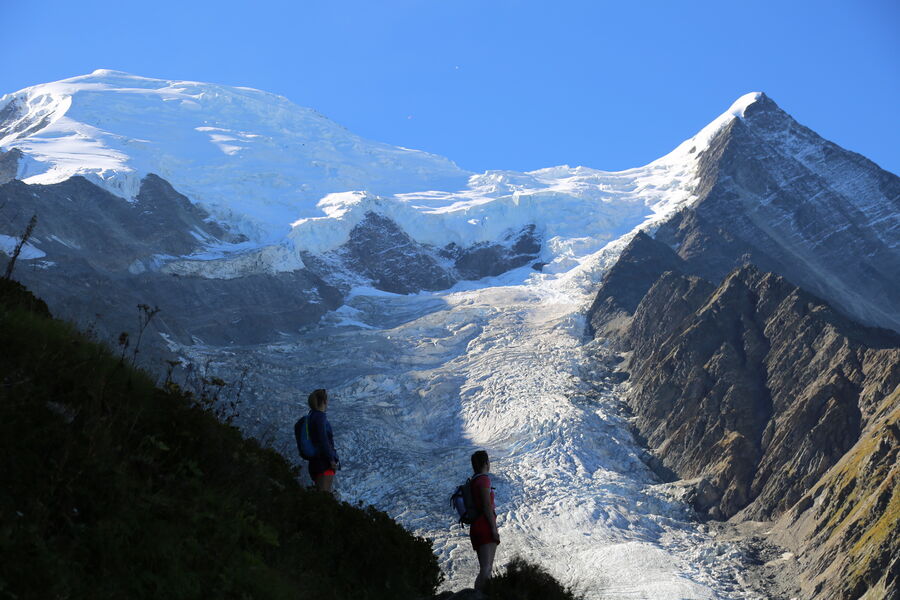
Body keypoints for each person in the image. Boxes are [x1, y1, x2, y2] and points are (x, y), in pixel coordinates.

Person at [469, 449, 499, 591]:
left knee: (484, 569)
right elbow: (487, 505)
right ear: (486, 463)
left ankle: (476, 594)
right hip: (485, 526)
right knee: (487, 569)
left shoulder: (473, 481)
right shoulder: (484, 479)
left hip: (476, 526)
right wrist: (493, 529)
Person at [306, 388, 339, 493]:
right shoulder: (320, 417)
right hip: (324, 463)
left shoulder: (311, 416)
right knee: (324, 496)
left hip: (315, 462)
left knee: (320, 495)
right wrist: (331, 460)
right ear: (324, 401)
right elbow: (323, 439)